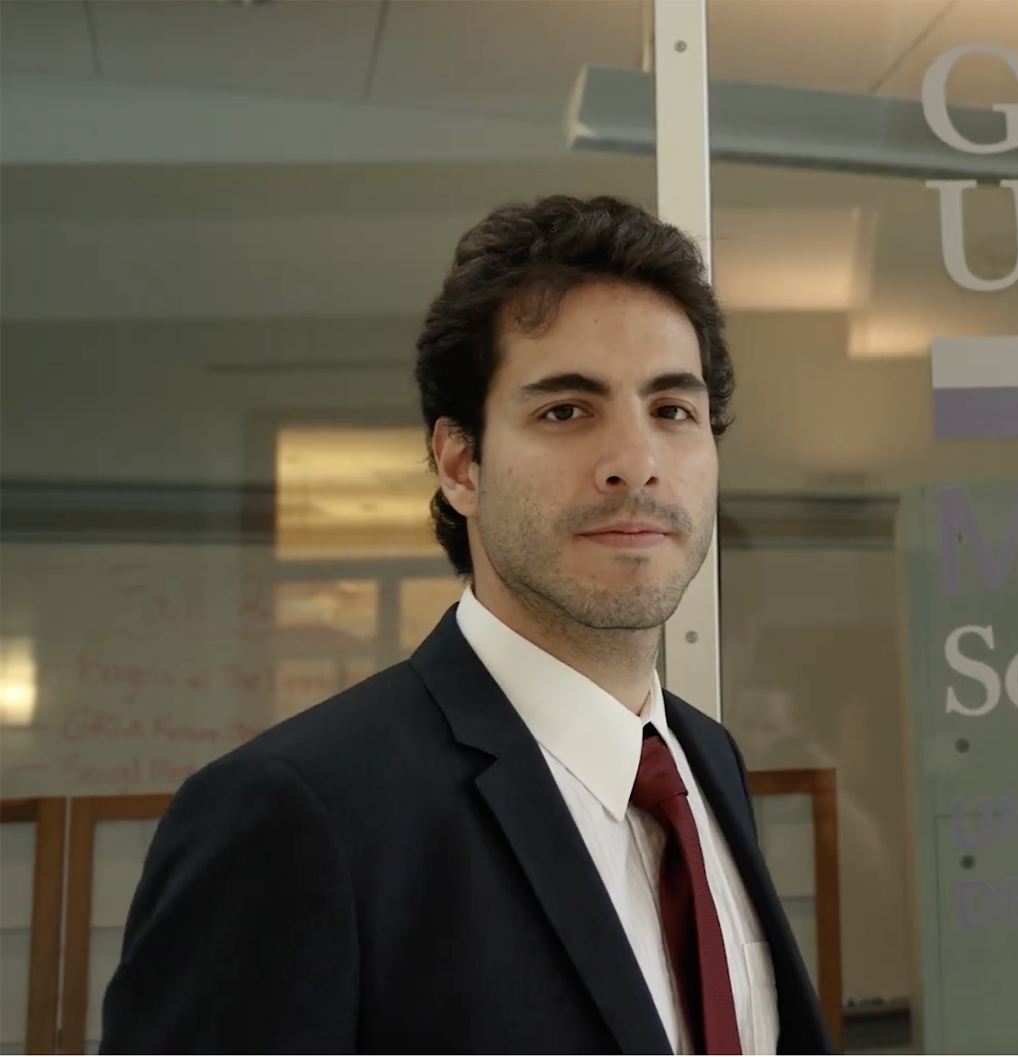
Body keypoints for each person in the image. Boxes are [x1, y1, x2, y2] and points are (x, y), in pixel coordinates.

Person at [101, 195, 831, 1055]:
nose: (635, 461)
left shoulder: (704, 763)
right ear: (460, 464)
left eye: (672, 410)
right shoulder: (294, 816)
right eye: (566, 410)